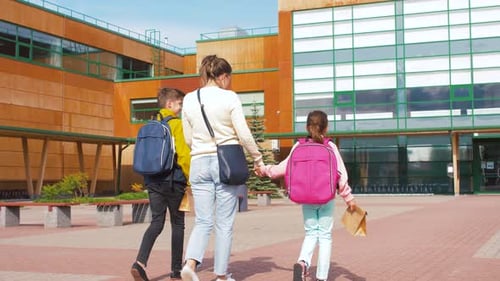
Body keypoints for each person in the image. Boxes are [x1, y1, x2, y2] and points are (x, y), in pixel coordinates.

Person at [180, 55, 264, 281]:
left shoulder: (189, 99)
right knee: (224, 223)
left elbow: (188, 138)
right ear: (223, 76)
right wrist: (257, 158)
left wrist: (202, 146)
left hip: (198, 162)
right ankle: (220, 276)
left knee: (203, 220)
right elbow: (244, 134)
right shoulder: (230, 98)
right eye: (229, 78)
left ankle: (189, 264)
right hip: (225, 162)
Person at [256, 110, 356, 281]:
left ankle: (303, 262)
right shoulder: (330, 147)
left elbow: (282, 168)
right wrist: (349, 198)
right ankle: (322, 277)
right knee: (324, 236)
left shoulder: (298, 146)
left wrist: (264, 170)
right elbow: (341, 174)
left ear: (307, 127)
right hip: (326, 197)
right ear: (326, 128)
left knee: (311, 233)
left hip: (305, 197)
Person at [131, 87, 191, 281]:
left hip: (152, 180)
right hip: (174, 181)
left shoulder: (151, 124)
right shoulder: (176, 124)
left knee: (156, 222)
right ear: (170, 104)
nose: (181, 108)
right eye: (179, 104)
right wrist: (190, 180)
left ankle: (139, 262)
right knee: (178, 224)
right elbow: (183, 155)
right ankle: (175, 271)